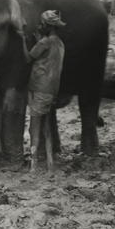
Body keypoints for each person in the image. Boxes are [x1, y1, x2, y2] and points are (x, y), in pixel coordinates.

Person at [26, 10, 66, 172]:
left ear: (48, 26)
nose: (40, 26)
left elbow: (27, 58)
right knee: (47, 129)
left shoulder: (44, 43)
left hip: (39, 88)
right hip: (52, 91)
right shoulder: (59, 43)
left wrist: (23, 38)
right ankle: (50, 165)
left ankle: (33, 166)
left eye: (42, 24)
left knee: (34, 128)